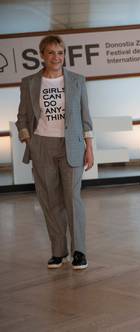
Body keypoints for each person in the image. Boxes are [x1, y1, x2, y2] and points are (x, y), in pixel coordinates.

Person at [16, 35, 94, 269]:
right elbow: (22, 118)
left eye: (60, 52)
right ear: (42, 55)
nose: (56, 57)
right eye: (51, 52)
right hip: (41, 146)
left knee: (72, 199)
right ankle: (58, 252)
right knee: (50, 201)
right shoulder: (29, 82)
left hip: (72, 146)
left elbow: (85, 118)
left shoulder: (77, 80)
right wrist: (29, 140)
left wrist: (89, 147)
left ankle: (79, 251)